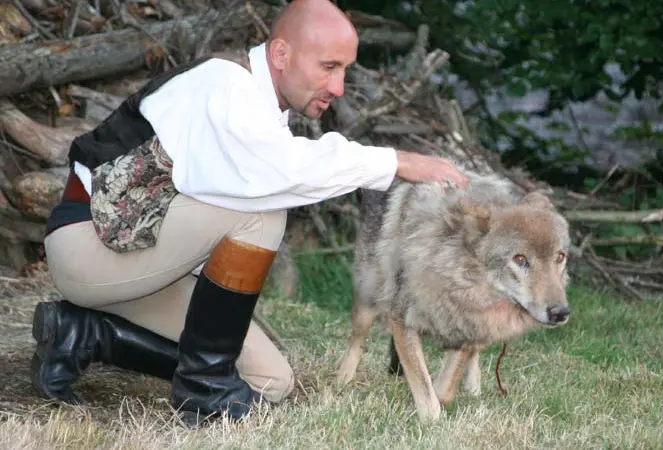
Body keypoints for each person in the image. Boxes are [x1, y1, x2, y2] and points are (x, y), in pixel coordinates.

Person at [31, 0, 468, 427]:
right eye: (329, 67)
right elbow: (280, 170)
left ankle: (83, 334)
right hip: (87, 246)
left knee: (270, 381)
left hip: (139, 262)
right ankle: (206, 393)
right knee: (262, 215)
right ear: (281, 54)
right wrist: (395, 162)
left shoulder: (260, 108)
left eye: (345, 71)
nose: (338, 88)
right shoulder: (223, 85)